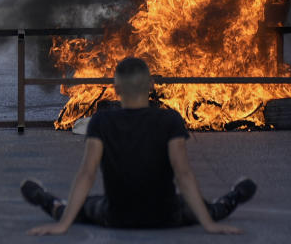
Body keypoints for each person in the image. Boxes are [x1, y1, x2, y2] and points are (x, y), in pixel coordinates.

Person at [20, 56, 256, 234]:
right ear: (152, 85)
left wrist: (63, 225)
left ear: (116, 89)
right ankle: (234, 196)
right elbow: (183, 173)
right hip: (166, 216)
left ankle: (44, 198)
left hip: (117, 216)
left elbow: (87, 173)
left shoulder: (102, 121)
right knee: (207, 208)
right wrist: (208, 224)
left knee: (81, 208)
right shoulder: (170, 120)